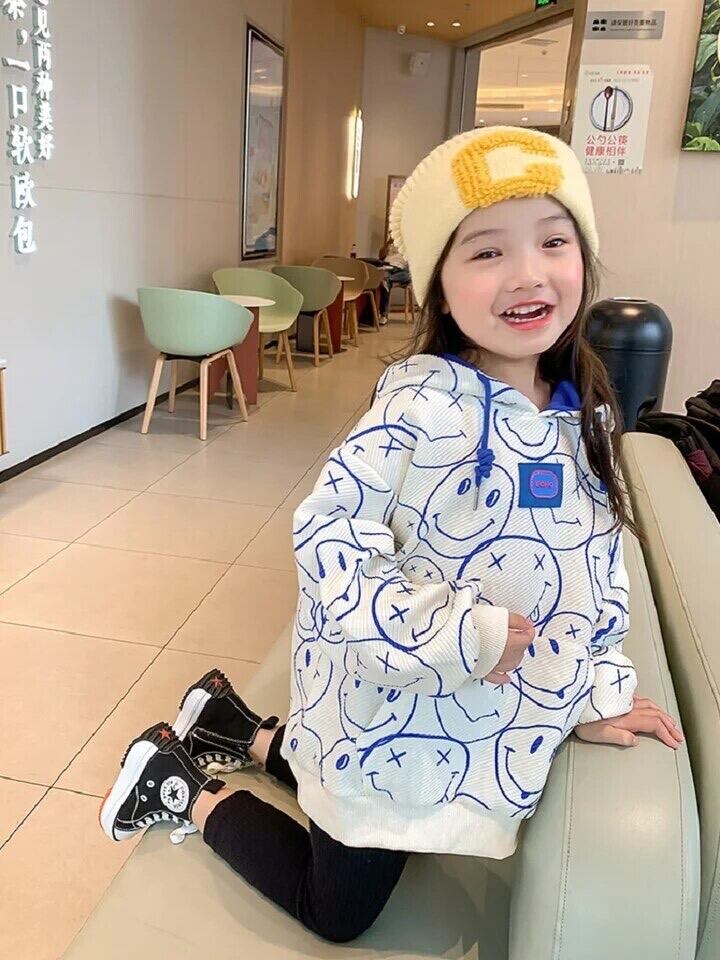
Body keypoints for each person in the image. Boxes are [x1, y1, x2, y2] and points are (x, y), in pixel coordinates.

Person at [100, 127, 684, 944]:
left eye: (554, 241)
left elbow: (594, 570)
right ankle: (180, 782)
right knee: (337, 911)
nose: (528, 273)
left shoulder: (581, 409)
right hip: (382, 719)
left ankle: (234, 726)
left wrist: (590, 691)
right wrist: (454, 633)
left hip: (454, 726)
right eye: (488, 252)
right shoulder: (418, 410)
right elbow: (328, 540)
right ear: (438, 284)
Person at [362, 239, 411, 321]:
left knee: (406, 276)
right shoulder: (390, 245)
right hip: (387, 268)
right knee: (385, 282)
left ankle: (387, 280)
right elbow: (381, 257)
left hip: (402, 271)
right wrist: (387, 245)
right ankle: (383, 315)